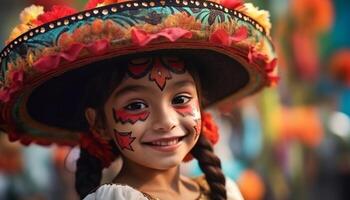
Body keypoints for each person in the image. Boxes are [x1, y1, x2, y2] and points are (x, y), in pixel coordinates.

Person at [0, 0, 277, 199]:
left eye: (180, 98)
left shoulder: (226, 191)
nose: (166, 122)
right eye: (136, 106)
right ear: (99, 125)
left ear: (201, 106)